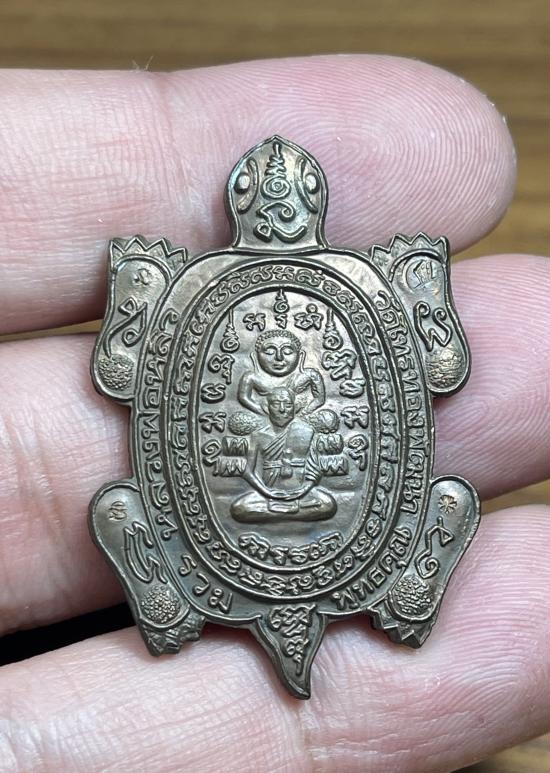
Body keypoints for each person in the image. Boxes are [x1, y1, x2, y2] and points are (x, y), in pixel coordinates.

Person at [1, 55, 549, 773]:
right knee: (117, 507)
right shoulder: (313, 282)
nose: (280, 203)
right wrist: (418, 280)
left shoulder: (237, 282)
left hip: (279, 548)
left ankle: (378, 590)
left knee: (451, 495)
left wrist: (423, 288)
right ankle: (177, 599)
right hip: (271, 545)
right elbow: (120, 375)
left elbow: (441, 371)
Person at [230, 386, 336, 522]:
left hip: (301, 492)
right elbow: (248, 471)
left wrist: (303, 490)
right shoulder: (258, 435)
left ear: (294, 408)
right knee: (239, 508)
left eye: (288, 405)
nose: (282, 409)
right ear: (267, 408)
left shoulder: (306, 431)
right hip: (267, 493)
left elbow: (315, 470)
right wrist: (266, 492)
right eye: (276, 404)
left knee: (328, 504)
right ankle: (292, 514)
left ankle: (276, 514)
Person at [237, 328, 326, 416]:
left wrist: (302, 413)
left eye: (287, 352)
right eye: (270, 352)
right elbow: (243, 398)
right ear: (256, 356)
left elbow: (319, 399)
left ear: (300, 355)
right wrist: (264, 412)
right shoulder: (251, 377)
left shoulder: (309, 375)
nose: (279, 357)